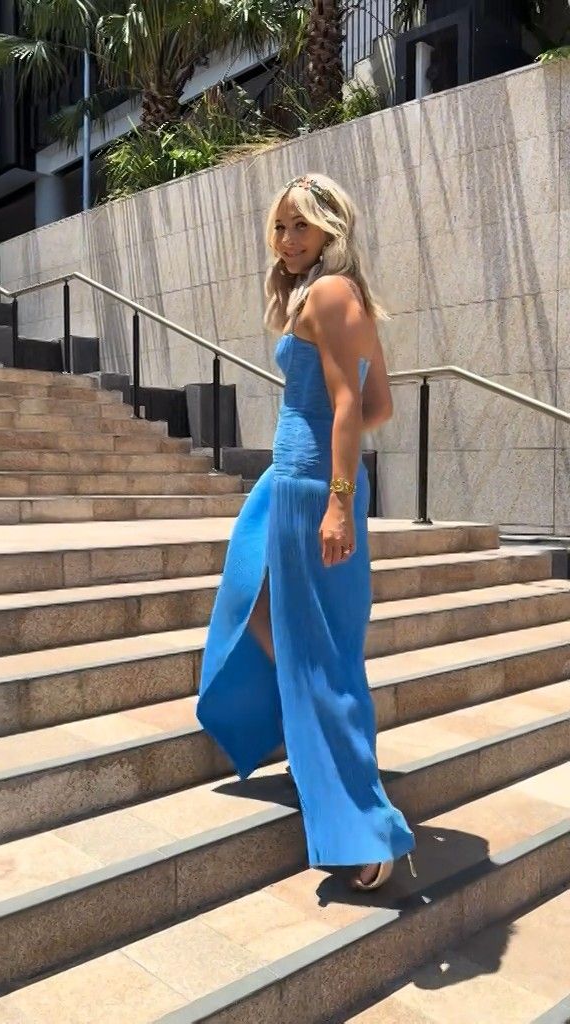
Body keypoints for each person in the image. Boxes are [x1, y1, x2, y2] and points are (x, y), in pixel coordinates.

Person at [197, 172, 415, 890]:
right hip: (291, 484)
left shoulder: (329, 294)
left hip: (315, 494)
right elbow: (378, 404)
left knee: (323, 653)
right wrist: (315, 445)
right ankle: (307, 740)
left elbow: (355, 404)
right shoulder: (332, 295)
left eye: (301, 226)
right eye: (281, 226)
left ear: (330, 229)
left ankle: (366, 830)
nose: (287, 239)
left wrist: (337, 498)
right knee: (256, 611)